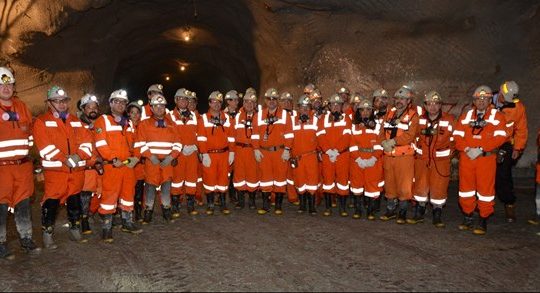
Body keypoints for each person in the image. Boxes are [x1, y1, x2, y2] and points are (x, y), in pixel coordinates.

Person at [33, 85, 93, 248]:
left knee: (75, 202)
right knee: (51, 203)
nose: (61, 104)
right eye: (57, 101)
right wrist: (64, 159)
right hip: (56, 173)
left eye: (64, 101)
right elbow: (44, 147)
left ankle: (74, 228)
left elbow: (87, 142)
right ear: (49, 103)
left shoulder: (75, 121)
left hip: (76, 172)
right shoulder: (42, 122)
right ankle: (47, 232)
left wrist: (78, 155)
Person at [453, 85, 508, 235]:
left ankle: (483, 219)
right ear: (474, 100)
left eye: (485, 99)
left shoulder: (497, 116)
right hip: (467, 157)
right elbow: (457, 136)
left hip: (486, 159)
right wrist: (466, 149)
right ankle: (468, 216)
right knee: (466, 190)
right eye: (478, 99)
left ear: (490, 100)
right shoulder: (466, 116)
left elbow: (502, 137)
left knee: (485, 191)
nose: (481, 101)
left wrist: (481, 148)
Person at [0, 66, 40, 258]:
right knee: (0, 206)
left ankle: (26, 238)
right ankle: (0, 243)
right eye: (1, 85)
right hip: (1, 168)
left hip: (23, 166)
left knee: (23, 204)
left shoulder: (22, 106)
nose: (6, 89)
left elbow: (30, 134)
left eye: (9, 85)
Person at [94, 89, 142, 242]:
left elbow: (137, 142)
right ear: (110, 103)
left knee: (128, 195)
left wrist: (136, 157)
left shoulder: (129, 123)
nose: (120, 104)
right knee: (109, 196)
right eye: (117, 101)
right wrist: (113, 158)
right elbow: (101, 143)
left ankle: (127, 222)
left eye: (123, 102)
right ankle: (107, 228)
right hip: (112, 166)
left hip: (128, 166)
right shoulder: (104, 120)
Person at [409, 91, 455, 227]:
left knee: (439, 188)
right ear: (425, 105)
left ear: (440, 105)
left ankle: (437, 214)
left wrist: (449, 155)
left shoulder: (449, 120)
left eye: (436, 104)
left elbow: (455, 139)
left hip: (440, 162)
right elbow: (412, 136)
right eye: (429, 104)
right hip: (422, 160)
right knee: (420, 187)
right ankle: (419, 212)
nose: (433, 107)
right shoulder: (419, 119)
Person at [135, 94, 180, 224]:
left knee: (166, 186)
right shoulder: (144, 124)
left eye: (162, 106)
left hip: (167, 161)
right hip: (151, 162)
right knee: (150, 186)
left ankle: (167, 210)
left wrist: (172, 156)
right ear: (152, 108)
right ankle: (148, 211)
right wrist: (150, 156)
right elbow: (140, 143)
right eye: (156, 106)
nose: (160, 108)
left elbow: (178, 143)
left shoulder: (172, 124)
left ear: (165, 107)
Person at [379, 86, 419, 224]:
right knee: (389, 184)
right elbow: (381, 131)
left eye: (403, 99)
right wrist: (383, 142)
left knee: (404, 185)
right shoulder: (389, 114)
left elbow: (410, 135)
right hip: (389, 155)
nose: (399, 101)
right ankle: (391, 209)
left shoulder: (413, 115)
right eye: (397, 98)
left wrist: (394, 141)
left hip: (404, 156)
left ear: (409, 101)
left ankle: (402, 211)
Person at [252, 88, 293, 215]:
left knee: (280, 178)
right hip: (264, 152)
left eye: (274, 99)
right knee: (265, 179)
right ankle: (266, 205)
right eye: (269, 99)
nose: (271, 102)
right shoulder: (259, 115)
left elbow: (289, 134)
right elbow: (255, 135)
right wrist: (256, 149)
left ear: (277, 101)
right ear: (265, 100)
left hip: (279, 151)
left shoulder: (285, 115)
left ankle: (278, 206)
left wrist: (287, 149)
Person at [493, 80, 528, 222]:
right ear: (500, 93)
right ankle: (482, 204)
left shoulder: (517, 107)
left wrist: (518, 148)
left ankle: (509, 204)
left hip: (505, 144)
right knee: (483, 174)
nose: (506, 102)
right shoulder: (486, 100)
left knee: (503, 175)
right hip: (485, 143)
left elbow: (521, 129)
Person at [197, 91, 235, 215]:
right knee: (209, 179)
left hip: (224, 154)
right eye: (214, 102)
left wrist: (232, 152)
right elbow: (201, 138)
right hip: (210, 155)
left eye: (219, 102)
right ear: (209, 103)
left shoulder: (227, 118)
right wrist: (204, 153)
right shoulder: (203, 118)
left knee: (224, 180)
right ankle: (211, 204)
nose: (216, 104)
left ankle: (223, 204)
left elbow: (231, 137)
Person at [349, 97, 384, 220]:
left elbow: (380, 144)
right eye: (362, 110)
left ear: (372, 111)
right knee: (357, 186)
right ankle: (358, 209)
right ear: (358, 112)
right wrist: (358, 159)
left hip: (373, 161)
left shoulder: (378, 125)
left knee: (372, 187)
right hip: (357, 161)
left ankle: (370, 210)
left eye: (368, 110)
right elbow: (352, 144)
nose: (365, 112)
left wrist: (373, 158)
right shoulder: (354, 126)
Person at [318, 94, 352, 217]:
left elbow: (347, 137)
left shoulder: (347, 119)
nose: (336, 107)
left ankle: (342, 208)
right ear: (330, 106)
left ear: (342, 106)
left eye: (338, 104)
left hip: (342, 155)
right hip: (328, 155)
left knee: (343, 182)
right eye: (333, 104)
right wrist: (328, 151)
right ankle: (328, 207)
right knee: (328, 181)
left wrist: (336, 151)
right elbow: (320, 136)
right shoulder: (323, 119)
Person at [170, 88, 200, 216]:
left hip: (192, 152)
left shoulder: (193, 116)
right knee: (177, 179)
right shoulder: (170, 116)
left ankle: (190, 204)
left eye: (186, 99)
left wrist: (196, 146)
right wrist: (180, 148)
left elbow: (199, 133)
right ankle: (175, 205)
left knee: (191, 179)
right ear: (176, 100)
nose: (184, 101)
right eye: (181, 98)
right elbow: (169, 135)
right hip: (178, 153)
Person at [290, 95, 321, 215]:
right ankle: (302, 205)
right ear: (298, 108)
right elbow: (289, 138)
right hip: (297, 157)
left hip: (311, 156)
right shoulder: (293, 121)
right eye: (302, 107)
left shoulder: (316, 120)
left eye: (307, 107)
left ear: (310, 108)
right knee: (299, 180)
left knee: (312, 181)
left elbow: (320, 138)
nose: (304, 110)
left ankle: (311, 206)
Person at [78, 93, 104, 235]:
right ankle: (84, 220)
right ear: (83, 109)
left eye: (95, 107)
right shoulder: (77, 125)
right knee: (86, 193)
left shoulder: (102, 124)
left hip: (101, 165)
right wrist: (93, 161)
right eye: (89, 107)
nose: (92, 110)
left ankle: (97, 214)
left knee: (100, 192)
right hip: (87, 166)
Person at [232, 88, 259, 210]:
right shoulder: (237, 117)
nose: (249, 104)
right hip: (239, 149)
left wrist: (258, 149)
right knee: (239, 175)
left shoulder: (259, 117)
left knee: (252, 175)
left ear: (255, 104)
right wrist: (232, 151)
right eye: (247, 102)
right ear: (243, 103)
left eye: (251, 102)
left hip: (252, 150)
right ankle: (240, 200)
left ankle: (252, 201)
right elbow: (232, 135)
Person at [127, 100, 145, 221]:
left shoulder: (143, 127)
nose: (135, 115)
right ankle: (125, 212)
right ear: (128, 113)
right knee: (128, 188)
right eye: (132, 112)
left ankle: (138, 212)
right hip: (128, 163)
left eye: (137, 112)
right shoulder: (124, 126)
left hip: (140, 164)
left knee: (139, 189)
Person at [224, 90, 241, 205]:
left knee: (236, 172)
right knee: (226, 173)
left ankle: (233, 194)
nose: (234, 102)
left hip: (238, 148)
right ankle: (221, 195)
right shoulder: (221, 115)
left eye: (236, 100)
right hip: (226, 148)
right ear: (227, 102)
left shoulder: (241, 115)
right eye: (232, 100)